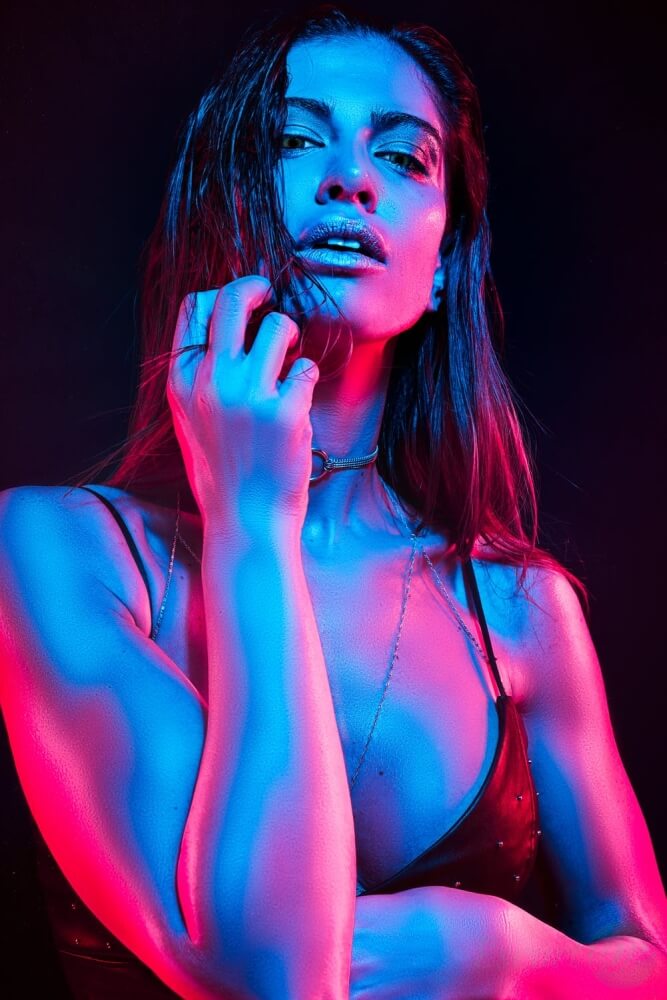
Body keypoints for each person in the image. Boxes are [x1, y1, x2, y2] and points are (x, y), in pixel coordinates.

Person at [1, 4, 666, 998]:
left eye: (402, 157)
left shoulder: (522, 609)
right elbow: (273, 977)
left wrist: (510, 958)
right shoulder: (58, 554)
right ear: (223, 204)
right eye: (296, 140)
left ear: (441, 265)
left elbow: (651, 959)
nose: (350, 178)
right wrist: (250, 522)